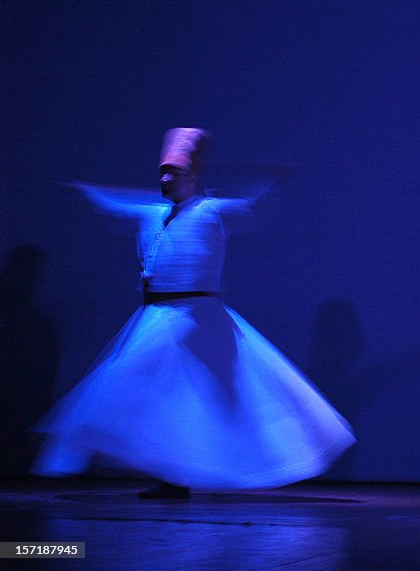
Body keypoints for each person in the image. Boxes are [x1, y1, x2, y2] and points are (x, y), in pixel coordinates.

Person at [34, 128, 355, 498]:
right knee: (147, 392)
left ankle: (195, 469)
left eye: (175, 173)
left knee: (203, 397)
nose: (167, 179)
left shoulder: (212, 211)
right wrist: (85, 191)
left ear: (192, 176)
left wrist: (273, 181)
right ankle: (167, 474)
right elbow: (116, 203)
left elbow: (250, 206)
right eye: (163, 173)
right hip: (158, 315)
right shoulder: (153, 214)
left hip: (198, 316)